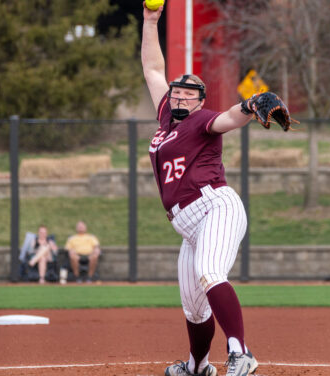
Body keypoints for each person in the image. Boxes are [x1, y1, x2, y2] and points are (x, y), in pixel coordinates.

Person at [142, 3, 266, 376]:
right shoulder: (166, 116)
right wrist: (150, 21)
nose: (179, 97)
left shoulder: (201, 120)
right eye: (176, 92)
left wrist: (250, 104)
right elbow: (151, 69)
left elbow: (230, 118)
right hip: (189, 227)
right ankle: (197, 366)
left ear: (200, 101)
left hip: (215, 207)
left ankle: (241, 352)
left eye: (188, 94)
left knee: (211, 273)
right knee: (194, 308)